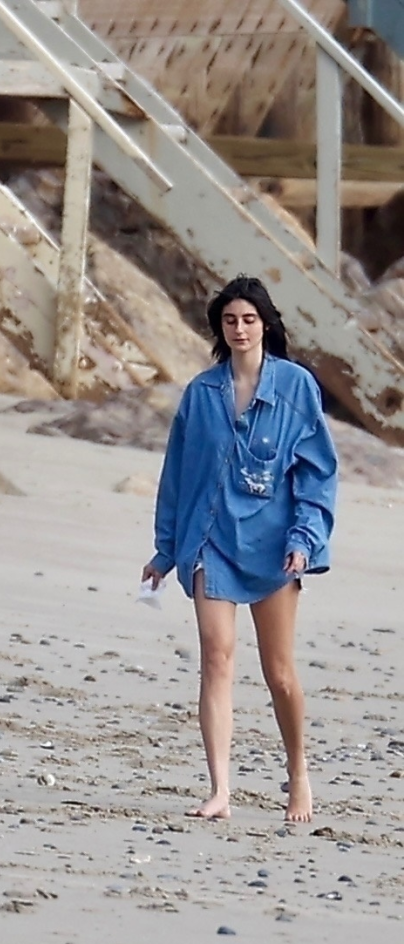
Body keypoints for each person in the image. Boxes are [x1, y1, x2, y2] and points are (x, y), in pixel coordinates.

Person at [142, 275, 337, 823]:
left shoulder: (296, 387)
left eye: (249, 319)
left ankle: (298, 771)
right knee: (216, 656)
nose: (240, 329)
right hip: (210, 541)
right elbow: (176, 476)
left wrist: (304, 540)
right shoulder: (201, 393)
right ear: (219, 328)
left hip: (275, 548)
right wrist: (165, 550)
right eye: (230, 320)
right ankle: (220, 790)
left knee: (279, 672)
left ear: (266, 325)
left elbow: (317, 475)